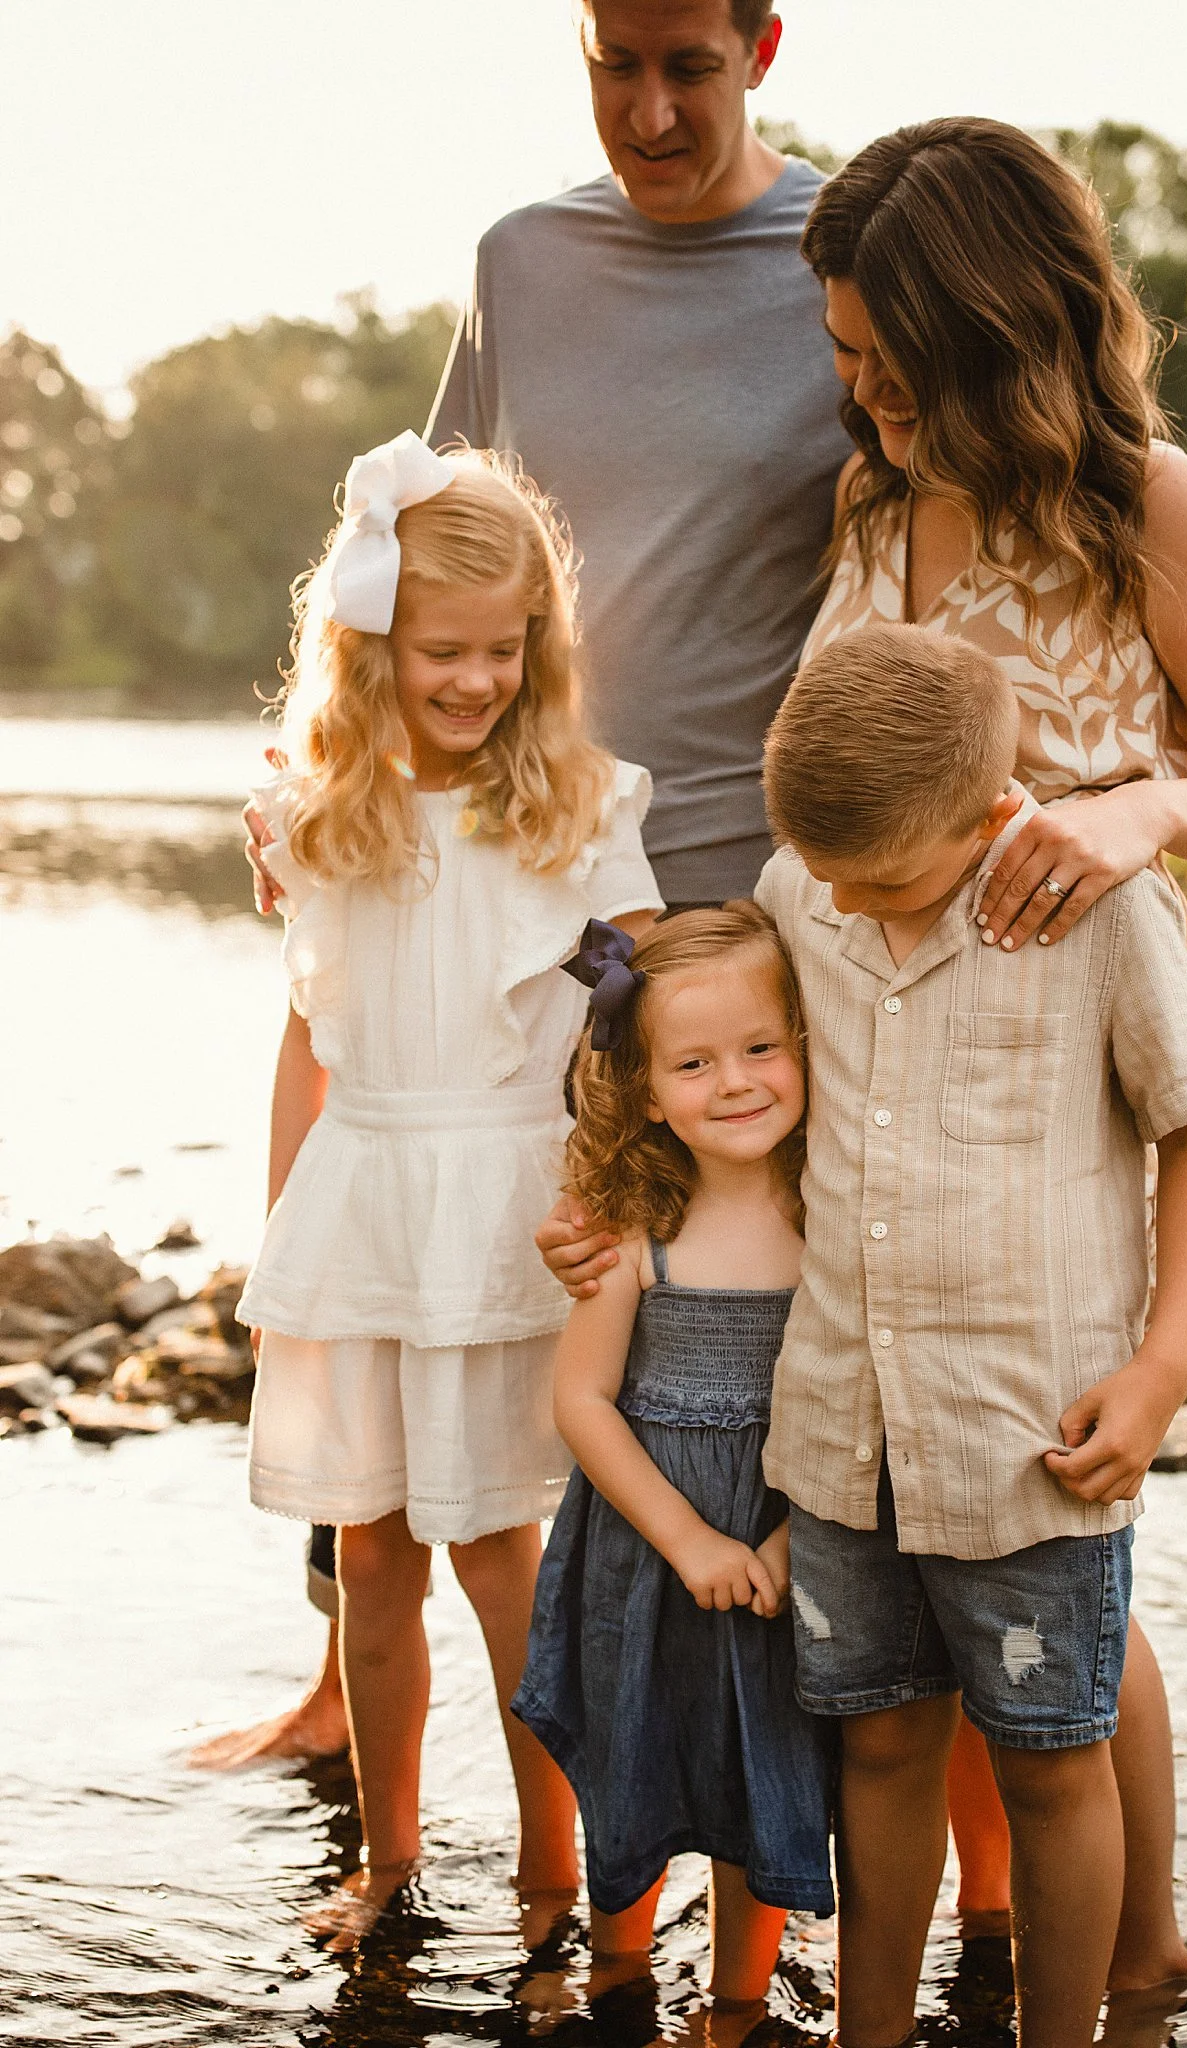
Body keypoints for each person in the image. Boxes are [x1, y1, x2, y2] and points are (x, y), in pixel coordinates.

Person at [542, 113, 1187, 1990]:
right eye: (843, 362)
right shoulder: (876, 507)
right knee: (911, 1552)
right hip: (865, 1059)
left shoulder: (1144, 503)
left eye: (892, 363)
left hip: (1057, 1056)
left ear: (998, 328)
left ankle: (1135, 1959)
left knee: (1054, 1546)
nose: (865, 398)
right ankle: (993, 1942)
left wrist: (1139, 811)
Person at [226, 0, 851, 1775]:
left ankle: (736, 1769)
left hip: (731, 909)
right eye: (612, 61)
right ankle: (356, 1690)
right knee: (398, 1248)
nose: (649, 109)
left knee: (705, 1360)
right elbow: (411, 550)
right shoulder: (522, 259)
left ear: (763, 45)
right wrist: (310, 772)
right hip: (475, 862)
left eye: (689, 67)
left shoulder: (838, 264)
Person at [759, 619, 1187, 2048]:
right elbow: (673, 1003)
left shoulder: (1107, 910)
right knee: (885, 1740)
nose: (853, 900)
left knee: (1050, 1764)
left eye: (887, 880)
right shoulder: (807, 887)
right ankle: (873, 2031)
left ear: (987, 816)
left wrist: (1163, 1372)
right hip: (846, 1429)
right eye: (830, 876)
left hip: (1033, 1434)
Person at [233, 429, 664, 1944]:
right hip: (365, 1201)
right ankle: (394, 1863)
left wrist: (614, 1194)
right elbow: (308, 1041)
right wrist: (285, 1237)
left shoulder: (579, 810)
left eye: (502, 650)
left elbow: (632, 1022)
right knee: (368, 1554)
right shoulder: (316, 816)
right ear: (368, 650)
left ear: (537, 649)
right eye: (439, 652)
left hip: (505, 1211)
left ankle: (558, 1880)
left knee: (499, 1554)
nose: (474, 679)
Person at [511, 906, 835, 2032]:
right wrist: (689, 1538)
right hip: (645, 1549)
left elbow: (858, 1401)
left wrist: (799, 1538)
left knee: (767, 1766)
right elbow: (581, 1399)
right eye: (694, 1062)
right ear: (647, 1090)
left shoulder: (837, 1219)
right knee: (634, 1749)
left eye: (761, 1047)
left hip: (787, 1541)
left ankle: (738, 2001)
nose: (736, 1082)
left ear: (807, 1044)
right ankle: (618, 1975)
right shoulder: (632, 1222)